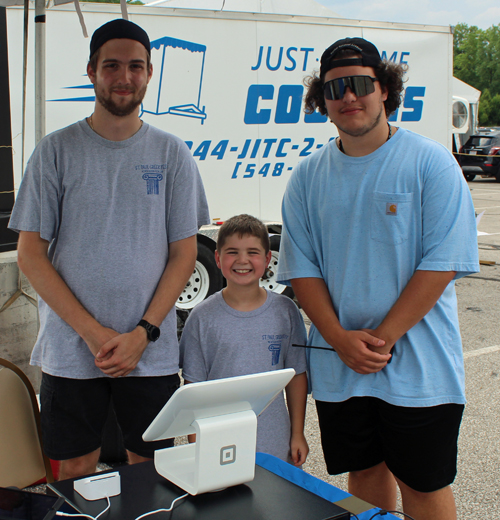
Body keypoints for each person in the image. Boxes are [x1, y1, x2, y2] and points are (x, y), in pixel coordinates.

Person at [277, 37, 479, 519]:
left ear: (385, 89)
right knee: (364, 476)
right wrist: (338, 339)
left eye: (361, 84)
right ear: (321, 102)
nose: (348, 97)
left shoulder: (430, 162)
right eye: (335, 88)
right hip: (341, 369)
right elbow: (302, 270)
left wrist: (381, 340)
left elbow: (443, 261)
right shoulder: (307, 177)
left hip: (419, 369)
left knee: (424, 486)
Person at [8, 19, 210, 480]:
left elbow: (183, 254)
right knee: (75, 466)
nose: (124, 76)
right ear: (91, 71)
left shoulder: (171, 153)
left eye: (135, 66)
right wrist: (93, 334)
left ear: (150, 73)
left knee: (151, 467)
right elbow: (31, 254)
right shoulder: (55, 151)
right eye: (112, 65)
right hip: (71, 349)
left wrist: (143, 332)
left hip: (150, 351)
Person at [180, 214, 309, 466]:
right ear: (217, 258)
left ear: (268, 258)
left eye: (252, 252)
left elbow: (296, 376)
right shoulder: (201, 317)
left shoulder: (286, 311)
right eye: (232, 252)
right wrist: (195, 442)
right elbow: (193, 388)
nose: (242, 260)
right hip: (218, 444)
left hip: (274, 441)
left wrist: (297, 433)